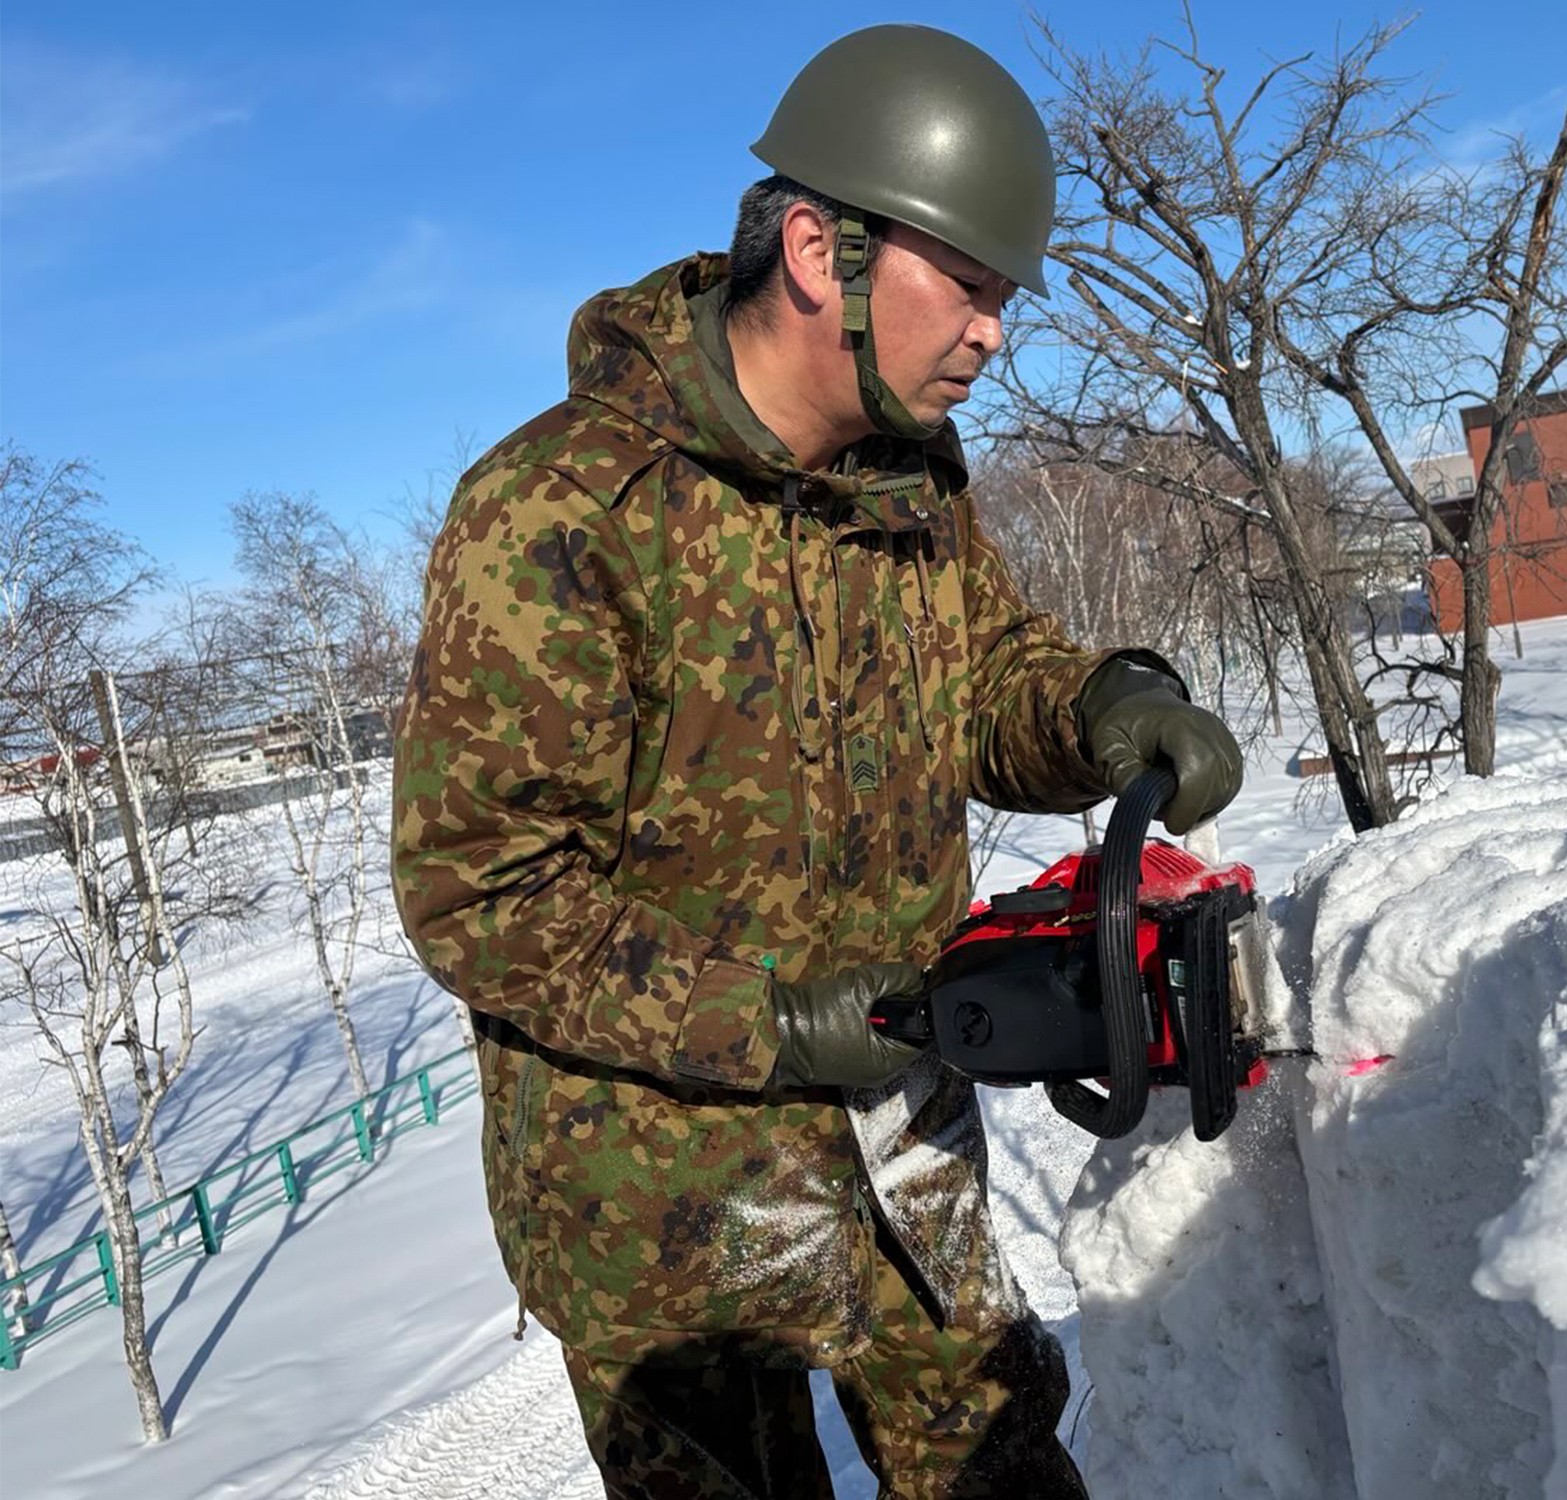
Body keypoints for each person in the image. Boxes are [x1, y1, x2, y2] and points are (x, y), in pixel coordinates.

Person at [390, 23, 1242, 1500]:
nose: (992, 334)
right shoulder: (562, 511)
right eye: (968, 288)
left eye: (1003, 300)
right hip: (654, 1199)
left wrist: (1104, 709)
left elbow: (983, 680)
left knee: (996, 1452)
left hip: (896, 1122)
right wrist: (767, 1021)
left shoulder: (906, 483)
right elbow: (485, 892)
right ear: (814, 249)